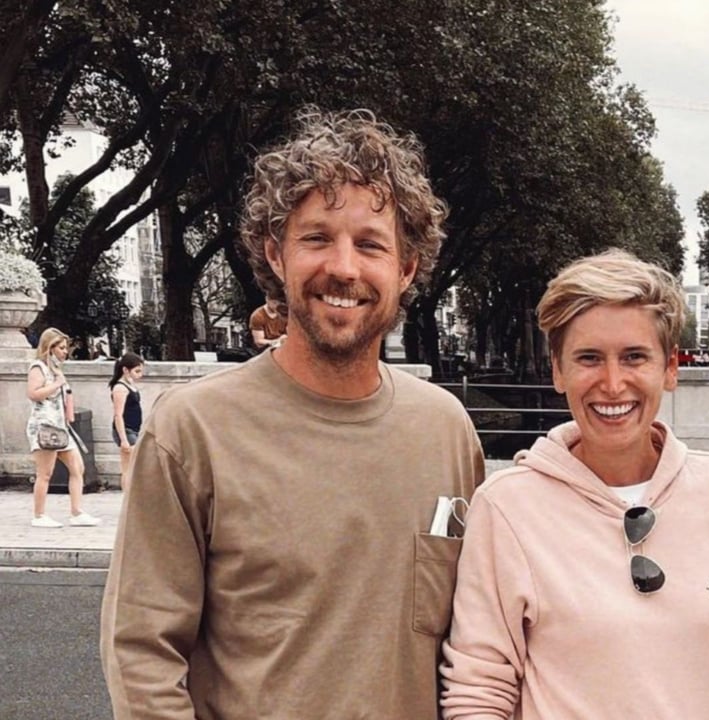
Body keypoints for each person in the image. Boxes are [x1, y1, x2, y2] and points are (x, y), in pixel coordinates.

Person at [100, 109, 486, 719]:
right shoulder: (193, 430)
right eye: (316, 238)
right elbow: (141, 651)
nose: (344, 267)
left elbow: (477, 644)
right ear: (275, 255)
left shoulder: (446, 430)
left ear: (406, 268)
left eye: (370, 244)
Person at [441, 249, 709, 719]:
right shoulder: (506, 506)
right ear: (558, 371)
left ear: (669, 369)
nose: (613, 384)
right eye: (589, 358)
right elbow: (478, 690)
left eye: (634, 357)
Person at [26, 327, 102, 528]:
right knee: (45, 473)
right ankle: (39, 515)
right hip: (45, 426)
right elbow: (33, 393)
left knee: (78, 467)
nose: (65, 351)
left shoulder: (57, 369)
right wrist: (56, 384)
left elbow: (65, 393)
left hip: (60, 426)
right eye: (60, 348)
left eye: (65, 347)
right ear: (49, 348)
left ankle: (77, 512)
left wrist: (69, 412)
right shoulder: (38, 368)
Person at [107, 352, 145, 492]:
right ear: (125, 370)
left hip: (133, 429)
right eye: (137, 371)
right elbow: (118, 415)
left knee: (130, 467)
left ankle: (131, 496)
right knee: (128, 468)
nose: (140, 375)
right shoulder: (120, 388)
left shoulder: (128, 385)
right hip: (127, 430)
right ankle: (128, 496)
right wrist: (123, 439)